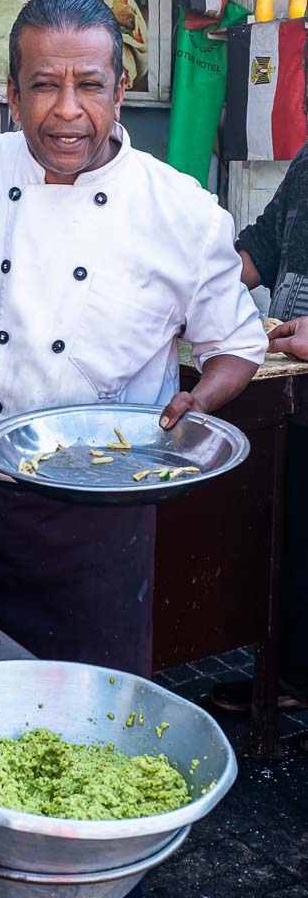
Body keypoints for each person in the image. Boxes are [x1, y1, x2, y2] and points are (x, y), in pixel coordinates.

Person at [0, 0, 266, 678]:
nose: (67, 110)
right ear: (13, 95)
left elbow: (236, 345)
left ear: (119, 92)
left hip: (97, 524)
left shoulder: (180, 210)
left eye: (89, 85)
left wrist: (202, 399)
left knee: (93, 712)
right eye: (44, 85)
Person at [210, 144, 308, 713]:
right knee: (292, 542)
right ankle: (293, 679)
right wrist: (196, 285)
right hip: (295, 391)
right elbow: (260, 250)